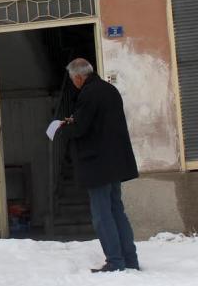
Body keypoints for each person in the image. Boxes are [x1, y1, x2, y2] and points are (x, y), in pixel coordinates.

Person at [55, 58, 139, 273]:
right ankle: (129, 259)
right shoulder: (109, 90)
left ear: (78, 77)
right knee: (117, 210)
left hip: (97, 163)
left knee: (102, 214)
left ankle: (115, 260)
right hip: (115, 161)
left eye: (74, 79)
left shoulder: (88, 94)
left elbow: (82, 128)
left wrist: (65, 126)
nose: (74, 83)